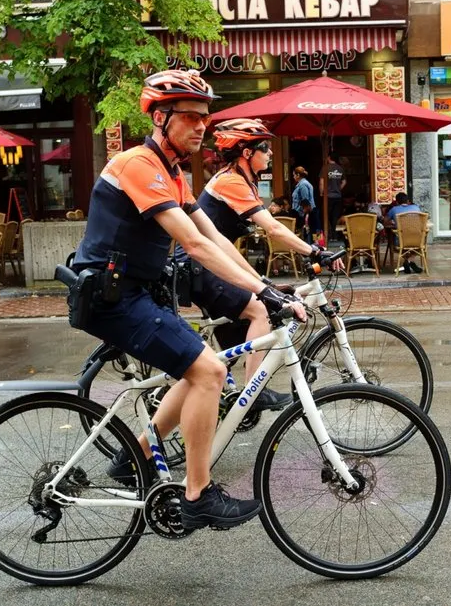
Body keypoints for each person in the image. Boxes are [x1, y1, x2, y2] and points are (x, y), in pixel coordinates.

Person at [69, 69, 304, 531]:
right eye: (191, 117)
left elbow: (213, 236)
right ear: (160, 117)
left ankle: (134, 454)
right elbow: (194, 246)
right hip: (111, 297)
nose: (202, 126)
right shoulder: (137, 164)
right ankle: (198, 495)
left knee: (199, 365)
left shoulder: (171, 172)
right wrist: (260, 293)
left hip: (135, 292)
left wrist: (267, 289)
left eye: (205, 117)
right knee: (210, 372)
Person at [177, 117, 339, 408]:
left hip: (214, 263)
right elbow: (273, 228)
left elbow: (227, 247)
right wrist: (314, 252)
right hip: (199, 267)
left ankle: (218, 392)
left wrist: (262, 281)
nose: (272, 153)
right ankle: (253, 392)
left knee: (249, 321)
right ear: (247, 153)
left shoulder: (241, 181)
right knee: (260, 310)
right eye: (265, 148)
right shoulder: (230, 181)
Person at [385, 192, 424, 274]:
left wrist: (394, 222)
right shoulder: (416, 207)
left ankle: (408, 261)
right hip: (417, 240)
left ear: (397, 202)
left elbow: (385, 221)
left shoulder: (394, 209)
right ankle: (411, 262)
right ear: (408, 201)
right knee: (421, 246)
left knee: (397, 246)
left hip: (401, 240)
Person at [321, 152, 346, 241]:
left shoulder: (325, 168)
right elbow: (344, 182)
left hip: (328, 197)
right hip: (337, 196)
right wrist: (338, 189)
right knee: (335, 216)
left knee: (326, 216)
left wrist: (321, 193)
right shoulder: (340, 169)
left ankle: (328, 235)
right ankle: (335, 236)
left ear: (329, 158)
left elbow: (322, 182)